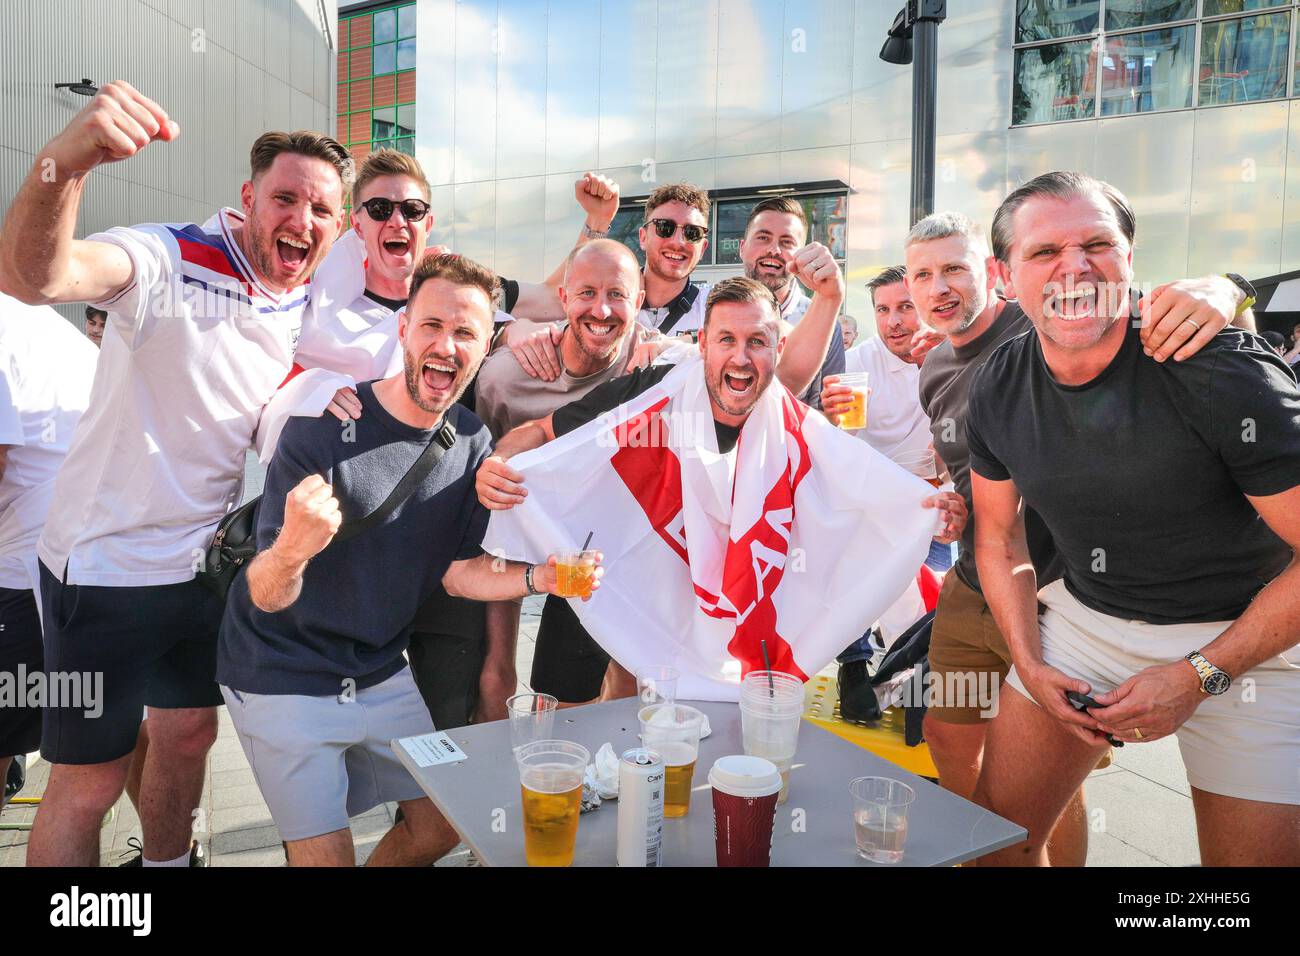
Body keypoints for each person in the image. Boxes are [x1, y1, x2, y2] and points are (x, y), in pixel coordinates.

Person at [0, 80, 350, 867]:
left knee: (188, 736)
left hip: (203, 570)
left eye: (321, 209)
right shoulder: (169, 255)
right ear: (248, 199)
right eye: (284, 199)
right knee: (88, 783)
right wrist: (66, 163)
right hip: (102, 568)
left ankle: (163, 870)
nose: (301, 220)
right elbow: (34, 278)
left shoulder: (312, 297)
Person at [218, 253, 598, 866]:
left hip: (377, 671)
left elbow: (457, 572)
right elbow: (265, 592)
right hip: (280, 671)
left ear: (487, 345)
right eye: (431, 326)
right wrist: (292, 547)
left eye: (466, 332)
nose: (446, 345)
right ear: (403, 330)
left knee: (449, 818)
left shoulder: (471, 439)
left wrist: (540, 578)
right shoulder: (318, 427)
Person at [966, 170, 1300, 867]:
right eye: (1044, 252)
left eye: (1096, 244)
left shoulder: (1218, 369)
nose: (1074, 267)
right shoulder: (999, 382)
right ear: (1004, 274)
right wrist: (1027, 661)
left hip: (1254, 638)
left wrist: (1199, 675)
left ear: (1129, 257)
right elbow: (998, 538)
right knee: (994, 849)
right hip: (1089, 623)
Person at [906, 209, 1249, 866]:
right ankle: (982, 854)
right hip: (975, 584)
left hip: (1062, 593)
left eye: (954, 267)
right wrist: (953, 503)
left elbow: (1140, 302)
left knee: (1059, 779)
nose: (938, 286)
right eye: (923, 273)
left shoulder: (1048, 321)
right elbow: (978, 476)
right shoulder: (934, 367)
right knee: (948, 734)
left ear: (996, 273)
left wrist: (1224, 286)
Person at [476, 276, 961, 697]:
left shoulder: (797, 426)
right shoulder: (650, 391)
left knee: (691, 718)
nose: (741, 357)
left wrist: (926, 511)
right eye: (726, 339)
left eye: (757, 341)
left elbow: (855, 486)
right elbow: (541, 433)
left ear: (779, 348)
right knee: (593, 699)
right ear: (703, 343)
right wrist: (500, 460)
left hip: (725, 611)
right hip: (632, 568)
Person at [282, 149, 623, 730]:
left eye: (412, 209)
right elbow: (263, 368)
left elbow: (550, 298)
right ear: (353, 221)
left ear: (428, 221)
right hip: (357, 555)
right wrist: (310, 384)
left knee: (452, 719)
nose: (399, 221)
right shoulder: (315, 306)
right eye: (381, 208)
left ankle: (438, 815)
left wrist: (518, 322)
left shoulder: (455, 282)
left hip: (444, 544)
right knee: (352, 724)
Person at [504, 184, 843, 412]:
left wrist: (829, 299)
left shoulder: (718, 305)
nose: (678, 241)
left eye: (692, 233)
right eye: (665, 228)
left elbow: (782, 355)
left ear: (703, 247)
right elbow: (503, 302)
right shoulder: (596, 303)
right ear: (643, 235)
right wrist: (510, 330)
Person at [819, 266, 957, 718]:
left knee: (936, 593)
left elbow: (955, 453)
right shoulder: (858, 362)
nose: (894, 321)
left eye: (905, 308)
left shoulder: (950, 356)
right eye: (883, 310)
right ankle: (854, 666)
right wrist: (831, 418)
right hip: (871, 492)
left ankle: (916, 676)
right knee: (850, 569)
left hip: (928, 495)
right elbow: (837, 449)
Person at [0, 295, 96, 799]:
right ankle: (169, 850)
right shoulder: (57, 330)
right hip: (88, 572)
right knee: (107, 732)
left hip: (17, 578)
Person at [738, 196, 846, 408]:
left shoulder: (824, 320)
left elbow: (826, 415)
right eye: (762, 237)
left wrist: (837, 415)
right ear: (742, 247)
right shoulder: (711, 308)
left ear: (801, 253)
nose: (774, 250)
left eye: (787, 242)